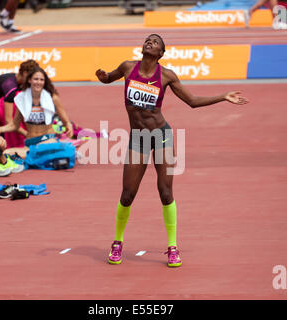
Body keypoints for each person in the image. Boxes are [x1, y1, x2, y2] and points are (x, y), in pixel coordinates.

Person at [95, 34, 249, 268]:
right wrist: (103, 77)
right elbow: (108, 79)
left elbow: (193, 101)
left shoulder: (166, 76)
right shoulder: (127, 67)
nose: (150, 43)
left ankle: (172, 247)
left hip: (161, 136)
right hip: (138, 138)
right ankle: (117, 242)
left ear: (161, 54)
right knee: (127, 194)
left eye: (156, 42)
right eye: (148, 40)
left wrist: (223, 97)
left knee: (165, 191)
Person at [0, 67, 73, 159]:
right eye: (36, 79)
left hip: (47, 140)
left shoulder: (52, 98)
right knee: (6, 153)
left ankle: (37, 154)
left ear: (44, 82)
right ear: (29, 80)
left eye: (41, 80)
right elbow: (14, 125)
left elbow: (66, 121)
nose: (38, 82)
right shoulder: (22, 99)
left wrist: (69, 126)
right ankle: (37, 155)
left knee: (40, 149)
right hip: (30, 142)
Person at [0, 59, 39, 148]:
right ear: (24, 73)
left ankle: (34, 134)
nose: (32, 81)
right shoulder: (10, 87)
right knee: (17, 101)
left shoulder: (19, 82)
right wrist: (26, 134)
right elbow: (8, 121)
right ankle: (16, 145)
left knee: (25, 97)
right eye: (31, 78)